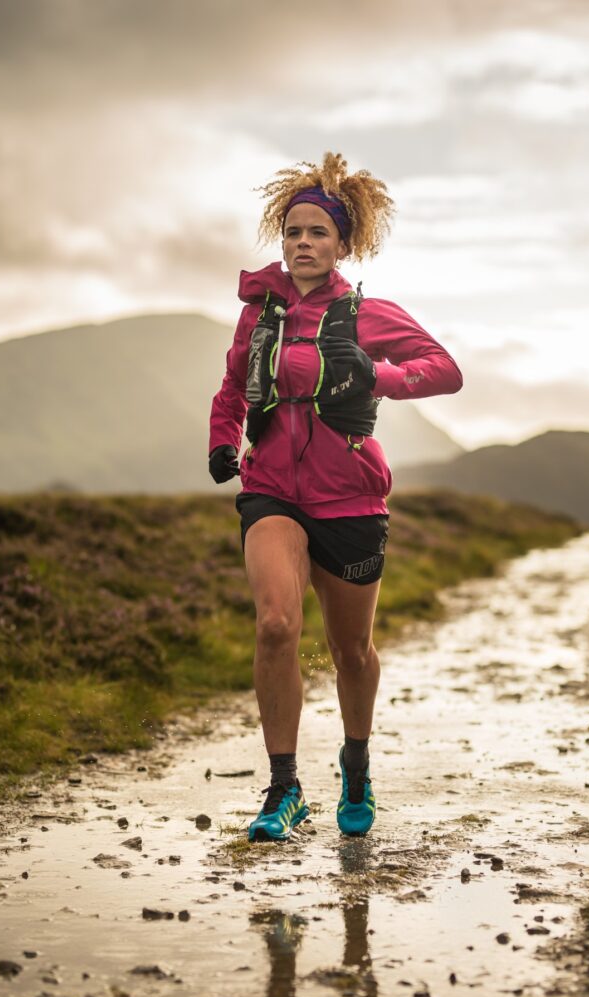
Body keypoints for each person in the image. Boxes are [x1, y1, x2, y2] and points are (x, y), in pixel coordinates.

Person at [209, 152, 462, 842]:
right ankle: (283, 788)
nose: (301, 243)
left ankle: (355, 767)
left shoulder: (367, 314)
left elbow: (445, 371)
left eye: (317, 232)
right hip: (270, 492)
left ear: (342, 245)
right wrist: (222, 439)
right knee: (274, 626)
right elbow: (233, 389)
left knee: (350, 651)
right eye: (292, 231)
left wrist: (376, 375)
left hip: (350, 498)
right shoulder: (258, 315)